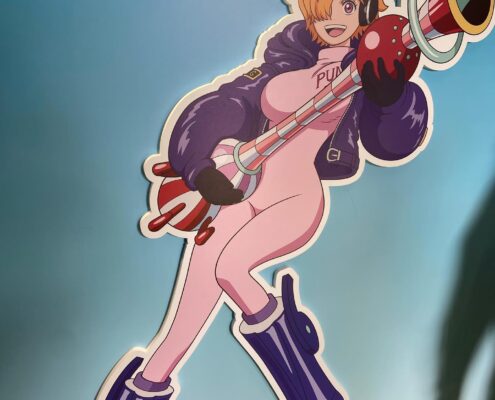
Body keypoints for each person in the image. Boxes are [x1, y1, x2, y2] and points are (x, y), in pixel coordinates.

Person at [102, 0, 429, 398]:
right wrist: (198, 166)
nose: (334, 19)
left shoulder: (371, 62)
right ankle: (142, 388)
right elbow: (224, 102)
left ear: (366, 8)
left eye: (346, 5)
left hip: (296, 196)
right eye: (323, 7)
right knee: (190, 305)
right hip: (246, 188)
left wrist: (391, 99)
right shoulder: (285, 54)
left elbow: (391, 141)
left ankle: (310, 390)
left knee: (231, 268)